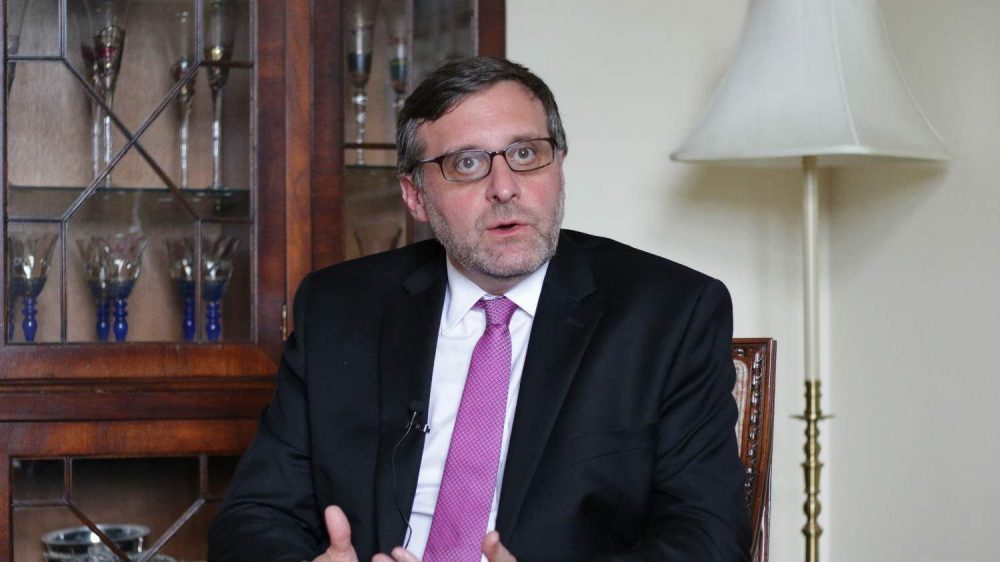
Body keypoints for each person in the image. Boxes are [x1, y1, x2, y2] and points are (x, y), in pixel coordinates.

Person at [208, 57, 751, 562]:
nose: (505, 188)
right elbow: (254, 516)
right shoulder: (339, 309)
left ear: (559, 166)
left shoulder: (668, 314)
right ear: (415, 195)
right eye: (467, 164)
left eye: (526, 154)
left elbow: (708, 535)